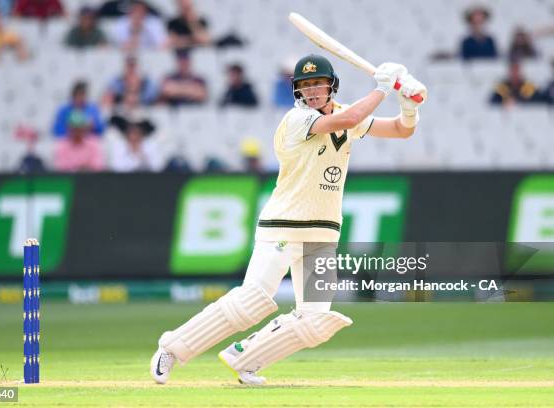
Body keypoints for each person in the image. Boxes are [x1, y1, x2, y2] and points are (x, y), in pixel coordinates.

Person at [150, 54, 427, 385]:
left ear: (331, 85)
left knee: (315, 321)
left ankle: (245, 358)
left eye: (317, 84)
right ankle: (171, 349)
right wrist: (384, 87)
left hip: (323, 234)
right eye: (305, 86)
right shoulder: (297, 120)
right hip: (283, 227)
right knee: (250, 302)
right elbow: (348, 119)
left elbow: (400, 130)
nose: (311, 92)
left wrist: (408, 104)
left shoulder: (346, 115)